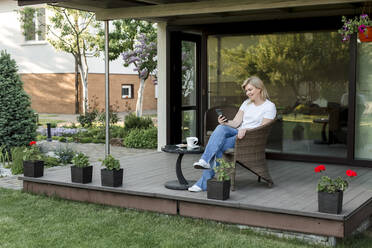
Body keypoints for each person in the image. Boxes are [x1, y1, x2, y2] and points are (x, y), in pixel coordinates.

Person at [188, 76, 277, 192]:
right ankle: (204, 161)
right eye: (246, 91)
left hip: (249, 137)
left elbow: (262, 129)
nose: (248, 93)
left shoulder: (269, 107)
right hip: (238, 132)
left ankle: (202, 183)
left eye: (250, 90)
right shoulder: (246, 103)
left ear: (259, 88)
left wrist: (247, 131)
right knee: (221, 127)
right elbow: (236, 122)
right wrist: (225, 122)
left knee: (217, 147)